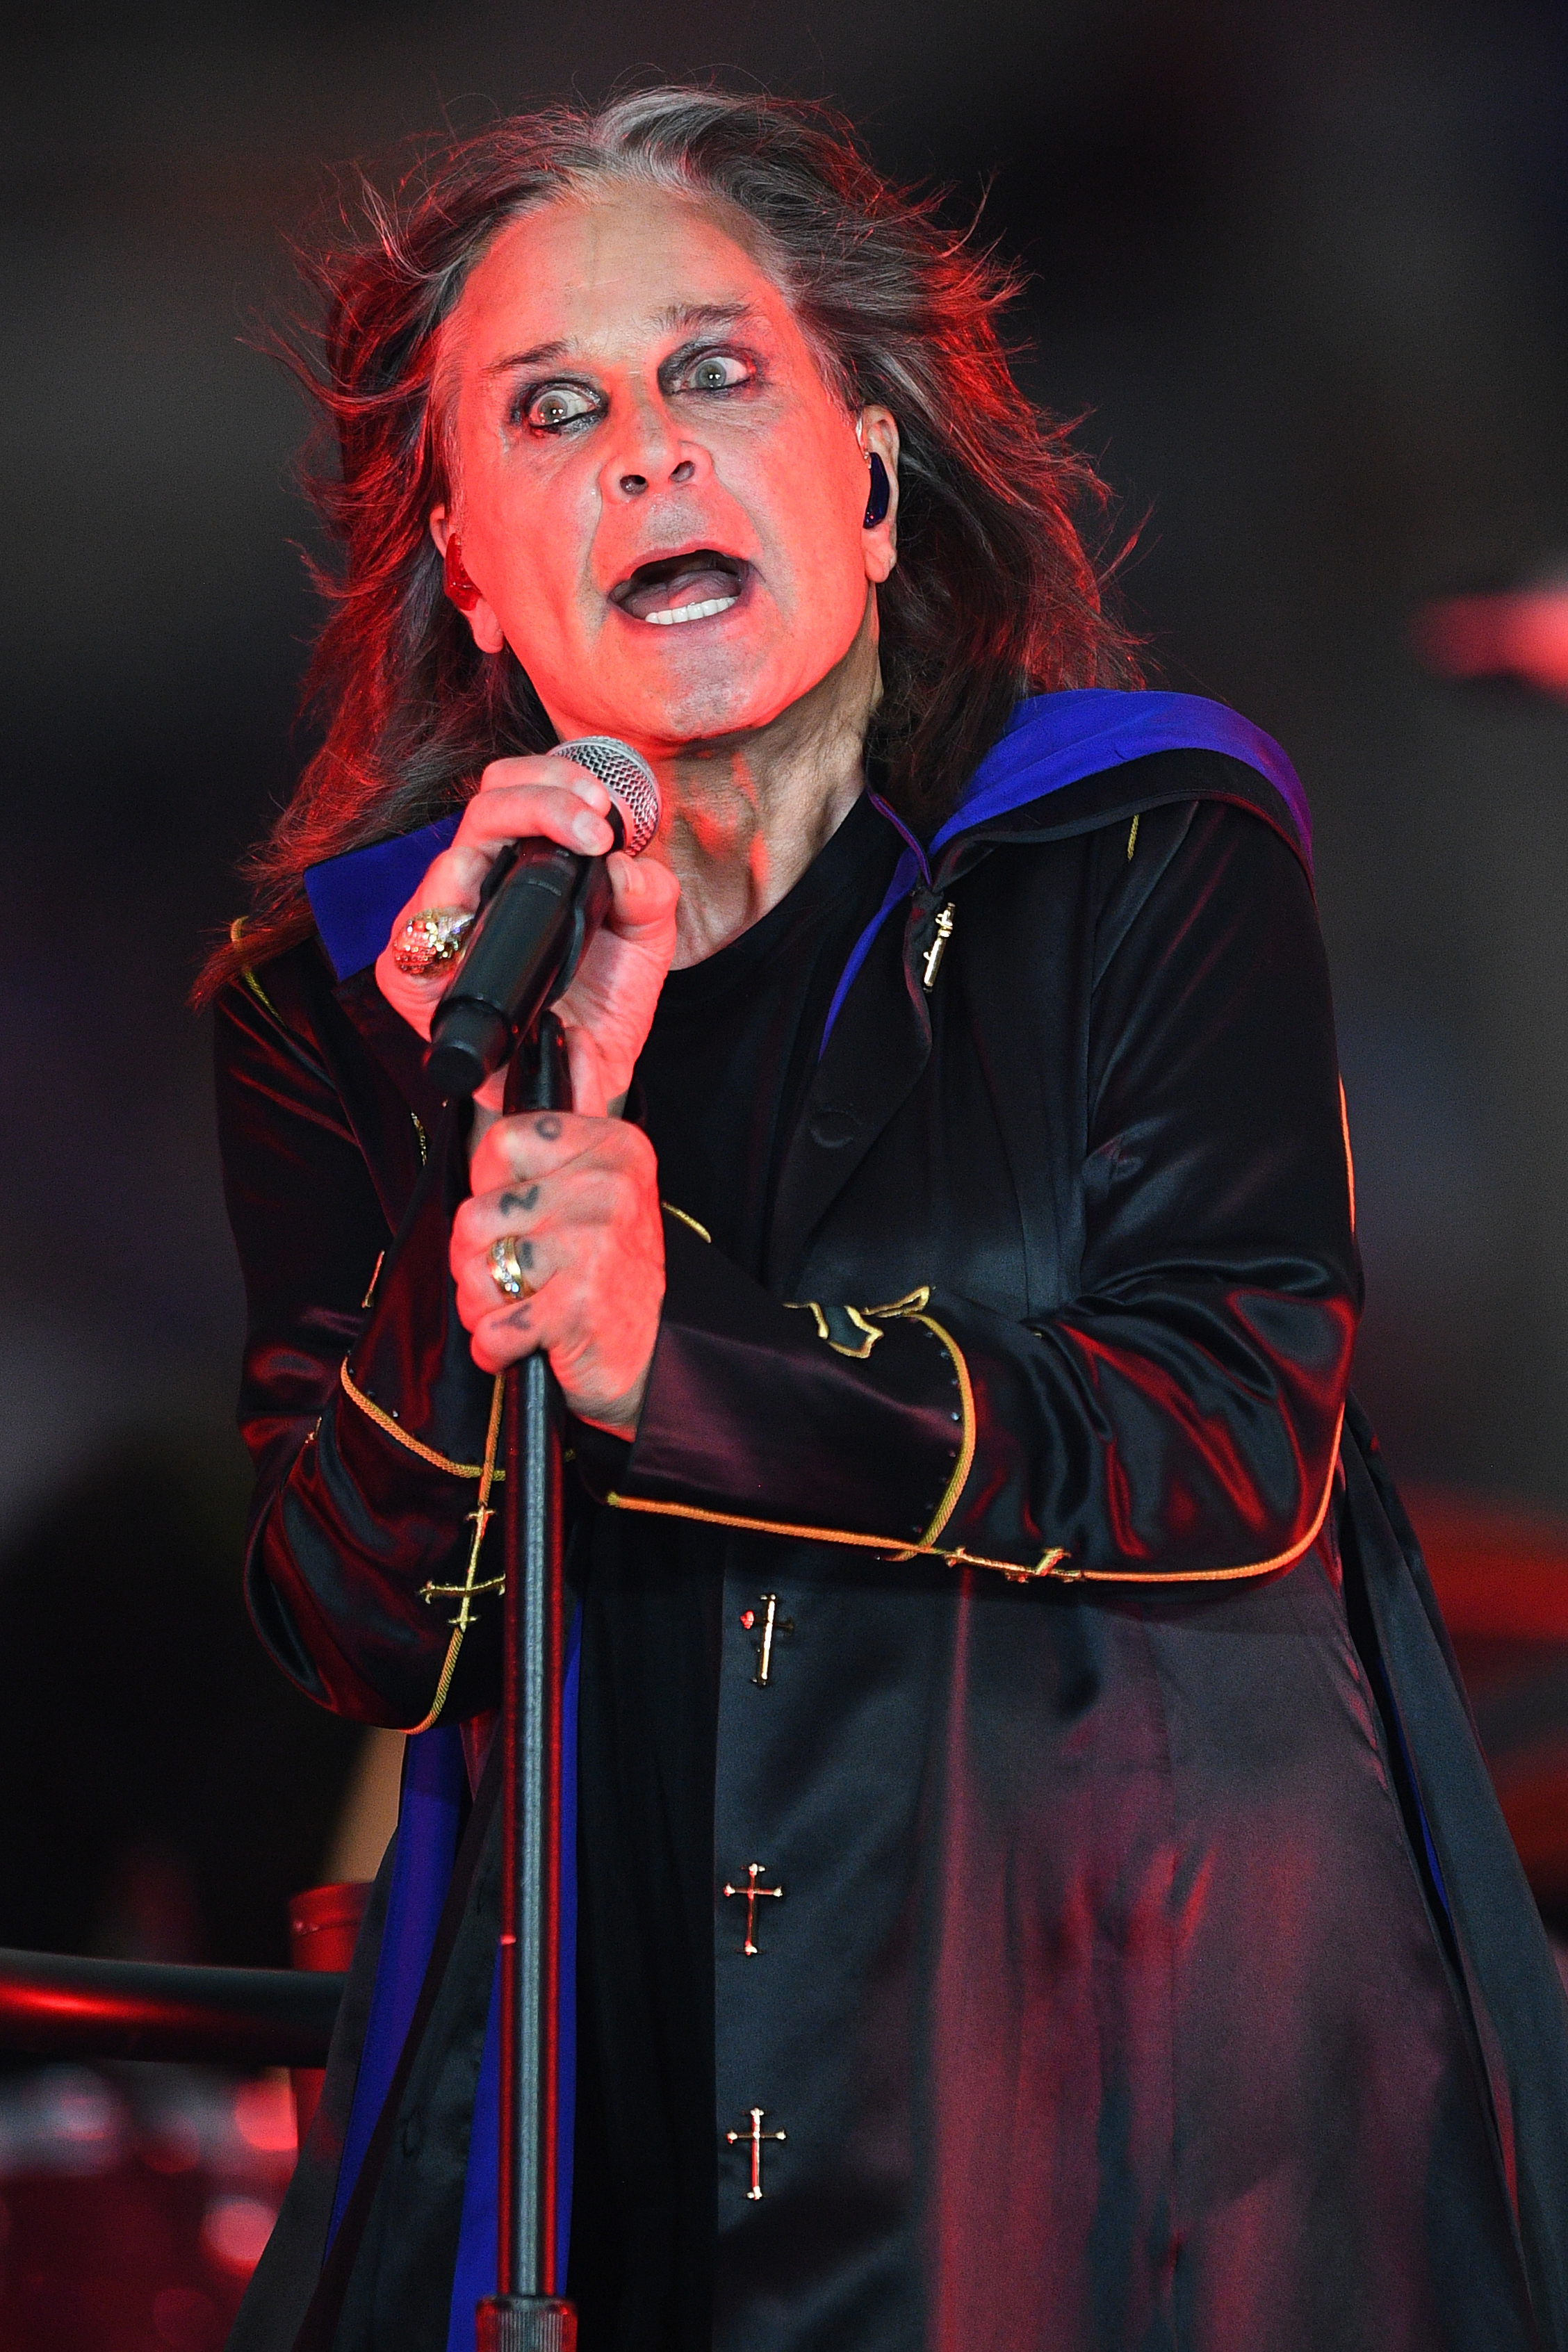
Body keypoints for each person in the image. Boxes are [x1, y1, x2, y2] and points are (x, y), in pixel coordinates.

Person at [206, 87, 1568, 2352]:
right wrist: (498, 1172)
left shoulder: (1143, 839)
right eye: (553, 412)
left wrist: (696, 1361)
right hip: (608, 2100)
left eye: (715, 373)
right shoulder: (363, 996)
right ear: (467, 560)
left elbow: (1233, 1422)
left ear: (864, 467)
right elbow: (353, 1625)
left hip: (1133, 2097)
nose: (646, 448)